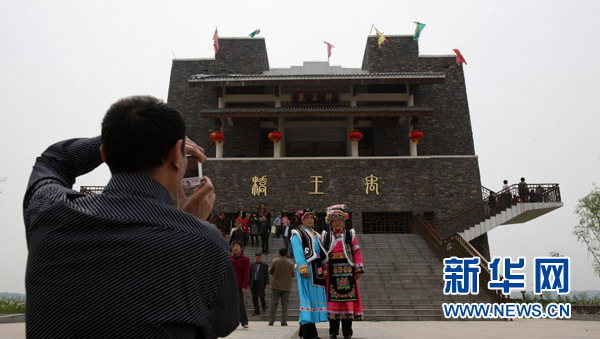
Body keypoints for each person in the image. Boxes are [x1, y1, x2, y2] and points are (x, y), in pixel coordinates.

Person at [22, 95, 238, 338]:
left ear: (104, 155)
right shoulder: (205, 242)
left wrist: (118, 138)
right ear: (176, 156)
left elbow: (55, 159)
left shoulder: (49, 212)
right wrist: (192, 225)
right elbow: (224, 321)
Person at [321, 204, 364, 339]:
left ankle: (347, 332)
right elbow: (321, 254)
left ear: (343, 221)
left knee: (348, 301)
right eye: (335, 220)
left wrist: (358, 268)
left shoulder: (350, 235)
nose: (337, 222)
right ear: (331, 222)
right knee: (332, 302)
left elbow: (356, 251)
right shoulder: (326, 236)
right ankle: (333, 331)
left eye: (340, 220)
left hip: (348, 272)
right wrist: (322, 268)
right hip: (331, 272)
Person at [291, 208, 328, 339]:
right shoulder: (298, 233)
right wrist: (302, 267)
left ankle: (304, 331)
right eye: (307, 217)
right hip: (307, 268)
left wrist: (324, 267)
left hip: (317, 269)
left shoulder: (316, 234)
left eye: (312, 217)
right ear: (301, 219)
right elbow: (298, 251)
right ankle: (309, 333)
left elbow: (322, 252)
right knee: (307, 299)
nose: (310, 219)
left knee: (313, 300)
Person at [268, 247, 295, 326]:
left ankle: (271, 321)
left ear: (279, 253)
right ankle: (284, 321)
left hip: (275, 286)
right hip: (286, 287)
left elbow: (270, 271)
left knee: (273, 304)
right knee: (285, 305)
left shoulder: (275, 261)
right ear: (287, 254)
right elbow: (293, 274)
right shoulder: (290, 264)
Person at [230, 241, 250, 329]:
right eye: (234, 246)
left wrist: (244, 286)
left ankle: (244, 321)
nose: (235, 248)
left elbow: (246, 273)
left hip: (239, 285)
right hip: (230, 285)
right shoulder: (229, 259)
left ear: (241, 248)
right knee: (230, 304)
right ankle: (231, 322)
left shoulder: (245, 259)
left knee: (240, 303)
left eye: (237, 246)